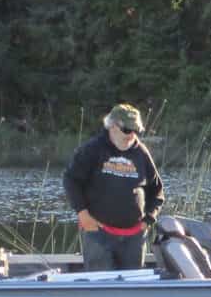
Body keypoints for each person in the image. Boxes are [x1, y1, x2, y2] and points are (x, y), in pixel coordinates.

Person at [62, 103, 165, 271]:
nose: (131, 135)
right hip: (98, 233)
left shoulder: (141, 153)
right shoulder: (92, 149)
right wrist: (83, 214)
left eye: (136, 131)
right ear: (113, 126)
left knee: (132, 290)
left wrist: (148, 220)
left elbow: (157, 191)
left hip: (134, 237)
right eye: (127, 130)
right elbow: (71, 180)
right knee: (100, 286)